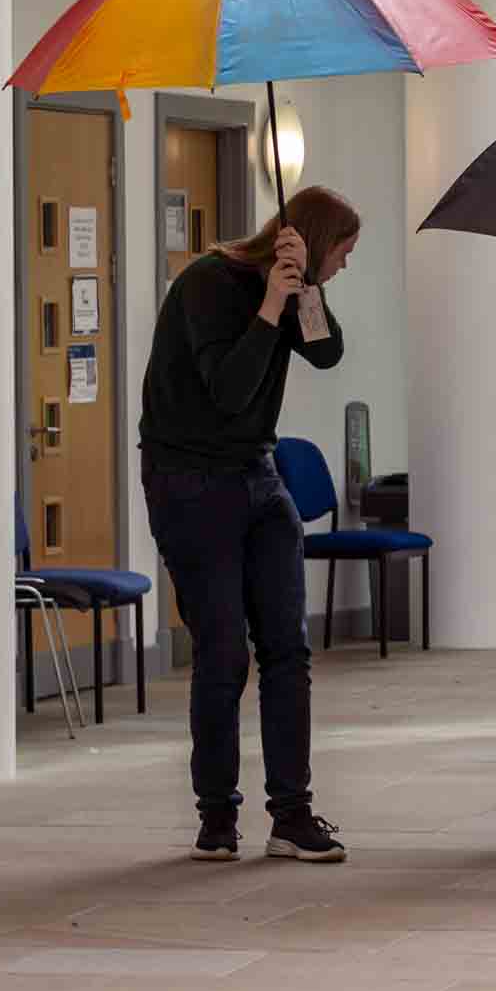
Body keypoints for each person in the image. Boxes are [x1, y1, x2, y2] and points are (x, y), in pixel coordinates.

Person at [139, 185, 359, 864]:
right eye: (343, 254)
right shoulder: (208, 282)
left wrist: (304, 292)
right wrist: (269, 303)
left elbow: (326, 354)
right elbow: (229, 390)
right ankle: (216, 817)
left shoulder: (296, 287)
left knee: (288, 651)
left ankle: (292, 814)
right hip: (189, 480)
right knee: (224, 652)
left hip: (259, 477)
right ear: (323, 240)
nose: (346, 266)